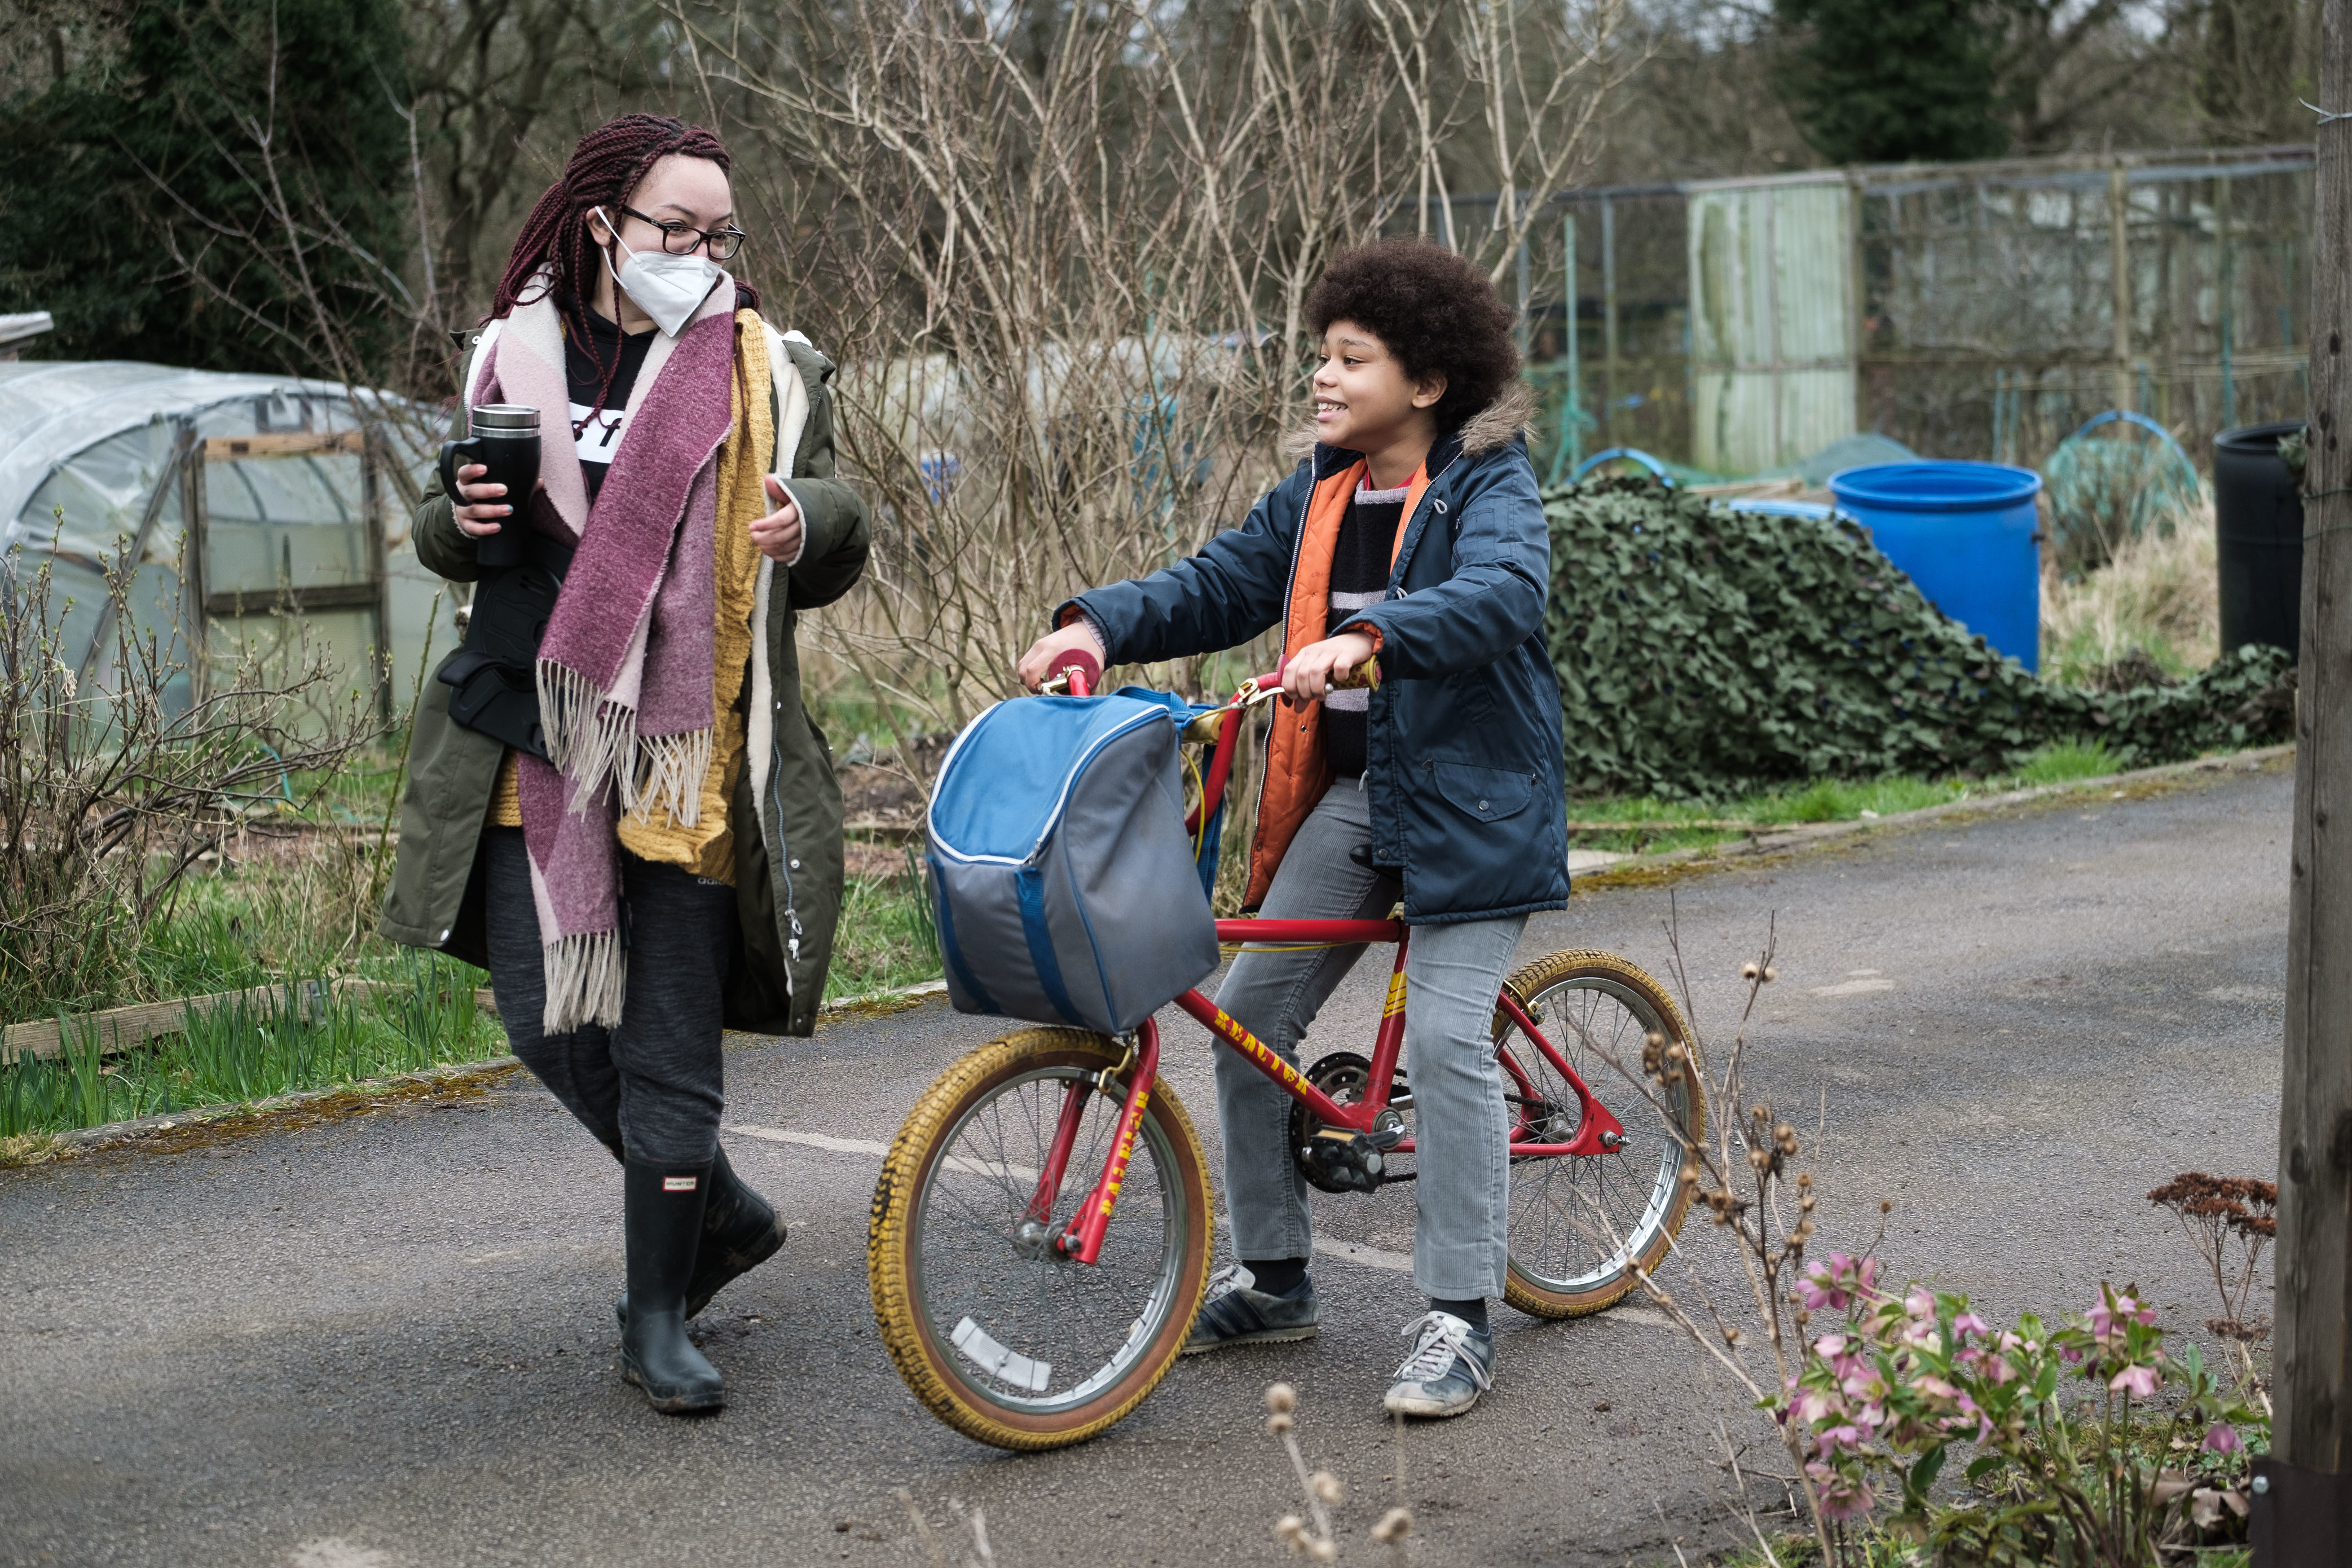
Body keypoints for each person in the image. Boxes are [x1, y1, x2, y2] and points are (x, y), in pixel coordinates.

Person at [1018, 239, 1564, 1420]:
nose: (1321, 378)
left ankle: (1459, 1320)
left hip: (1474, 803)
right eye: (1321, 356)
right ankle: (1276, 1279)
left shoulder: (1487, 480)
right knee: (1251, 1014)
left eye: (1349, 360)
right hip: (1360, 796)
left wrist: (1375, 637)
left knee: (1451, 1043)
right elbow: (1219, 583)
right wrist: (1094, 627)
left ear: (1425, 383)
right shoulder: (1321, 486)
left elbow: (1508, 594)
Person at [380, 113, 871, 1416]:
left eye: (721, 233)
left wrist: (801, 518)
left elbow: (840, 524)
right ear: (603, 222)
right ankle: (717, 1209)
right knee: (547, 1019)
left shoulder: (769, 365)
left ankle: (657, 1311)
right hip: (533, 739)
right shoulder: (514, 352)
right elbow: (453, 530)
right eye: (676, 229)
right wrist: (453, 514)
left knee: (664, 1043)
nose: (702, 253)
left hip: (688, 753)